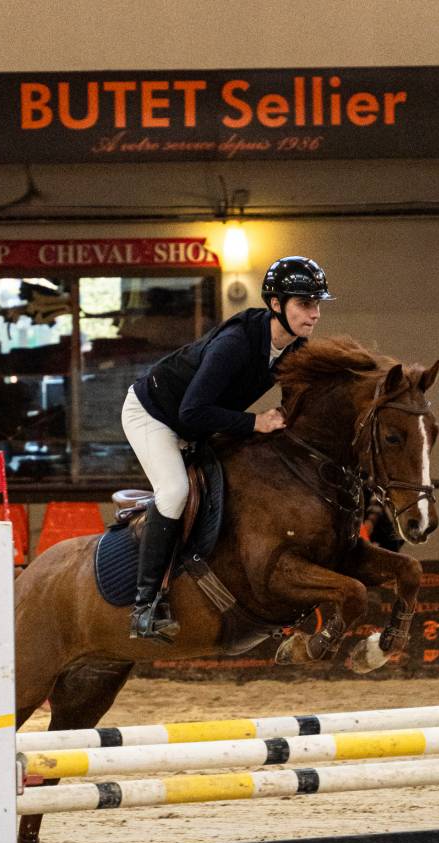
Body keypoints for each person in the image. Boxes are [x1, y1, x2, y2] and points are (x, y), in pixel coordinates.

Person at [121, 255, 336, 643]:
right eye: (305, 304)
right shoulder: (234, 345)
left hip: (200, 422)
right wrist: (256, 422)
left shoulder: (294, 347)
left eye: (317, 304)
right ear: (276, 304)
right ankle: (145, 605)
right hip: (155, 416)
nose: (315, 313)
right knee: (174, 492)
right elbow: (193, 409)